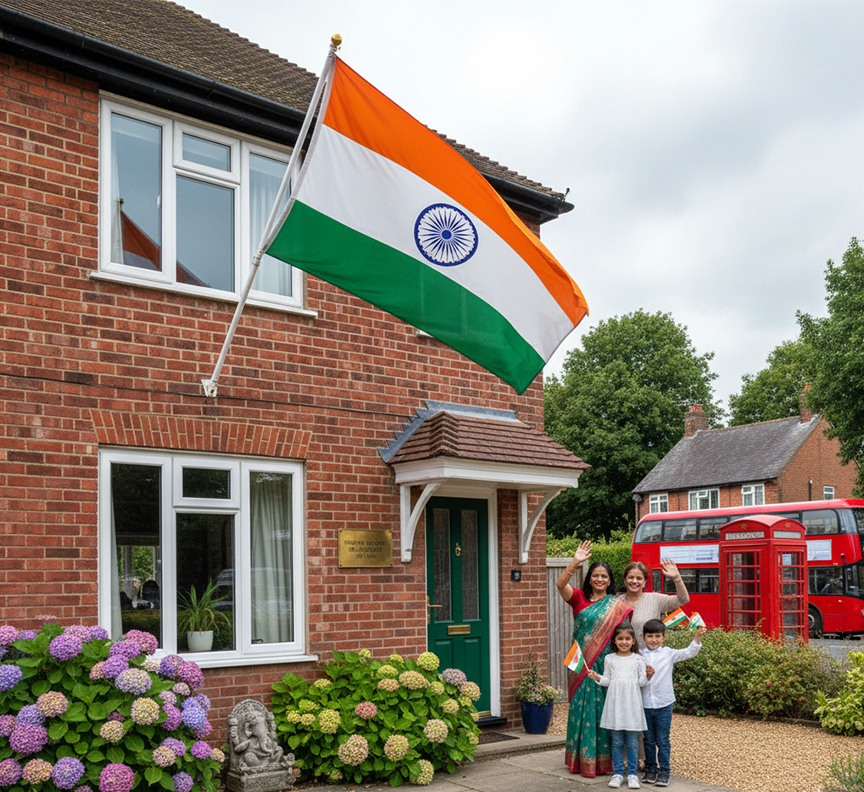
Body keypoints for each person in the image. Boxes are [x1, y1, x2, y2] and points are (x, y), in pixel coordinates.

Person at [557, 541, 634, 778]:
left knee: (605, 710)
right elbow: (560, 584)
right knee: (580, 710)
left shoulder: (617, 605)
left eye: (604, 576)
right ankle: (579, 760)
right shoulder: (578, 598)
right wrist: (575, 562)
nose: (599, 579)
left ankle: (604, 762)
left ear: (610, 581)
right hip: (580, 663)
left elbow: (625, 637)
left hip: (605, 663)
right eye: (595, 576)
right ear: (589, 578)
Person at [639, 619, 706, 787]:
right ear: (643, 637)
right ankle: (650, 768)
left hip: (664, 703)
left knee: (662, 740)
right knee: (648, 739)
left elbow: (689, 652)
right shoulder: (638, 655)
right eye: (650, 636)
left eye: (657, 636)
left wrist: (697, 637)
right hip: (645, 703)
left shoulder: (668, 653)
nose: (653, 639)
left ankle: (664, 771)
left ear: (664, 637)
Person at [587, 623, 651, 789]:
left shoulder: (638, 659)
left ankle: (632, 774)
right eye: (620, 638)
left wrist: (649, 675)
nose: (624, 642)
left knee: (632, 742)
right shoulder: (610, 659)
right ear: (614, 641)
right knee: (616, 741)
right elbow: (608, 681)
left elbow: (641, 682)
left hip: (632, 705)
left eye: (627, 638)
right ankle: (617, 773)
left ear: (633, 640)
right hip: (615, 705)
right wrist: (596, 676)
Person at [620, 560, 690, 650]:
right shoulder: (616, 602)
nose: (634, 581)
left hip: (650, 659)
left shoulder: (655, 599)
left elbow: (683, 600)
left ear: (645, 582)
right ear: (625, 580)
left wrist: (677, 579)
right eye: (630, 577)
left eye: (639, 578)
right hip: (622, 658)